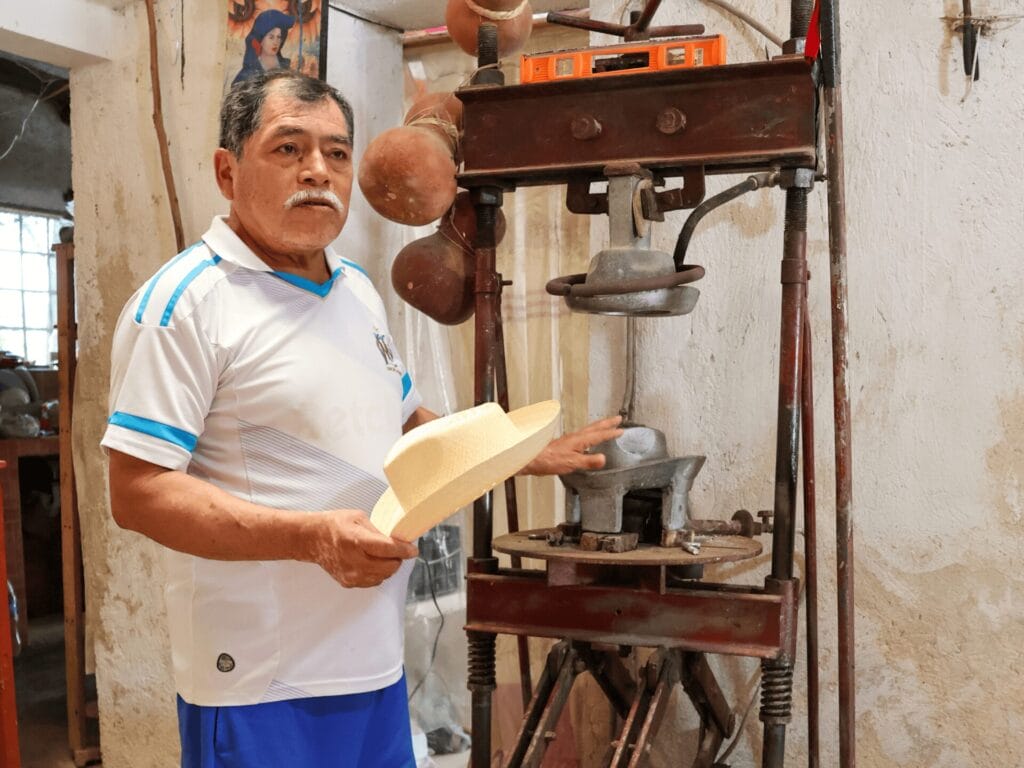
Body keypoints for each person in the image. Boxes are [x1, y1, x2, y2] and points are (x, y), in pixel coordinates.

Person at [103, 69, 623, 768]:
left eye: (337, 153)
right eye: (288, 149)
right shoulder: (185, 304)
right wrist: (310, 537)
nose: (317, 170)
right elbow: (138, 492)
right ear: (228, 171)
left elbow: (407, 421)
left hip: (372, 667)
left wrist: (521, 450)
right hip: (258, 681)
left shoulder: (355, 292)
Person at [231, 9, 295, 86]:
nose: (276, 42)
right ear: (260, 39)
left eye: (279, 37)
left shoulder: (288, 66)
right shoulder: (248, 74)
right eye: (271, 37)